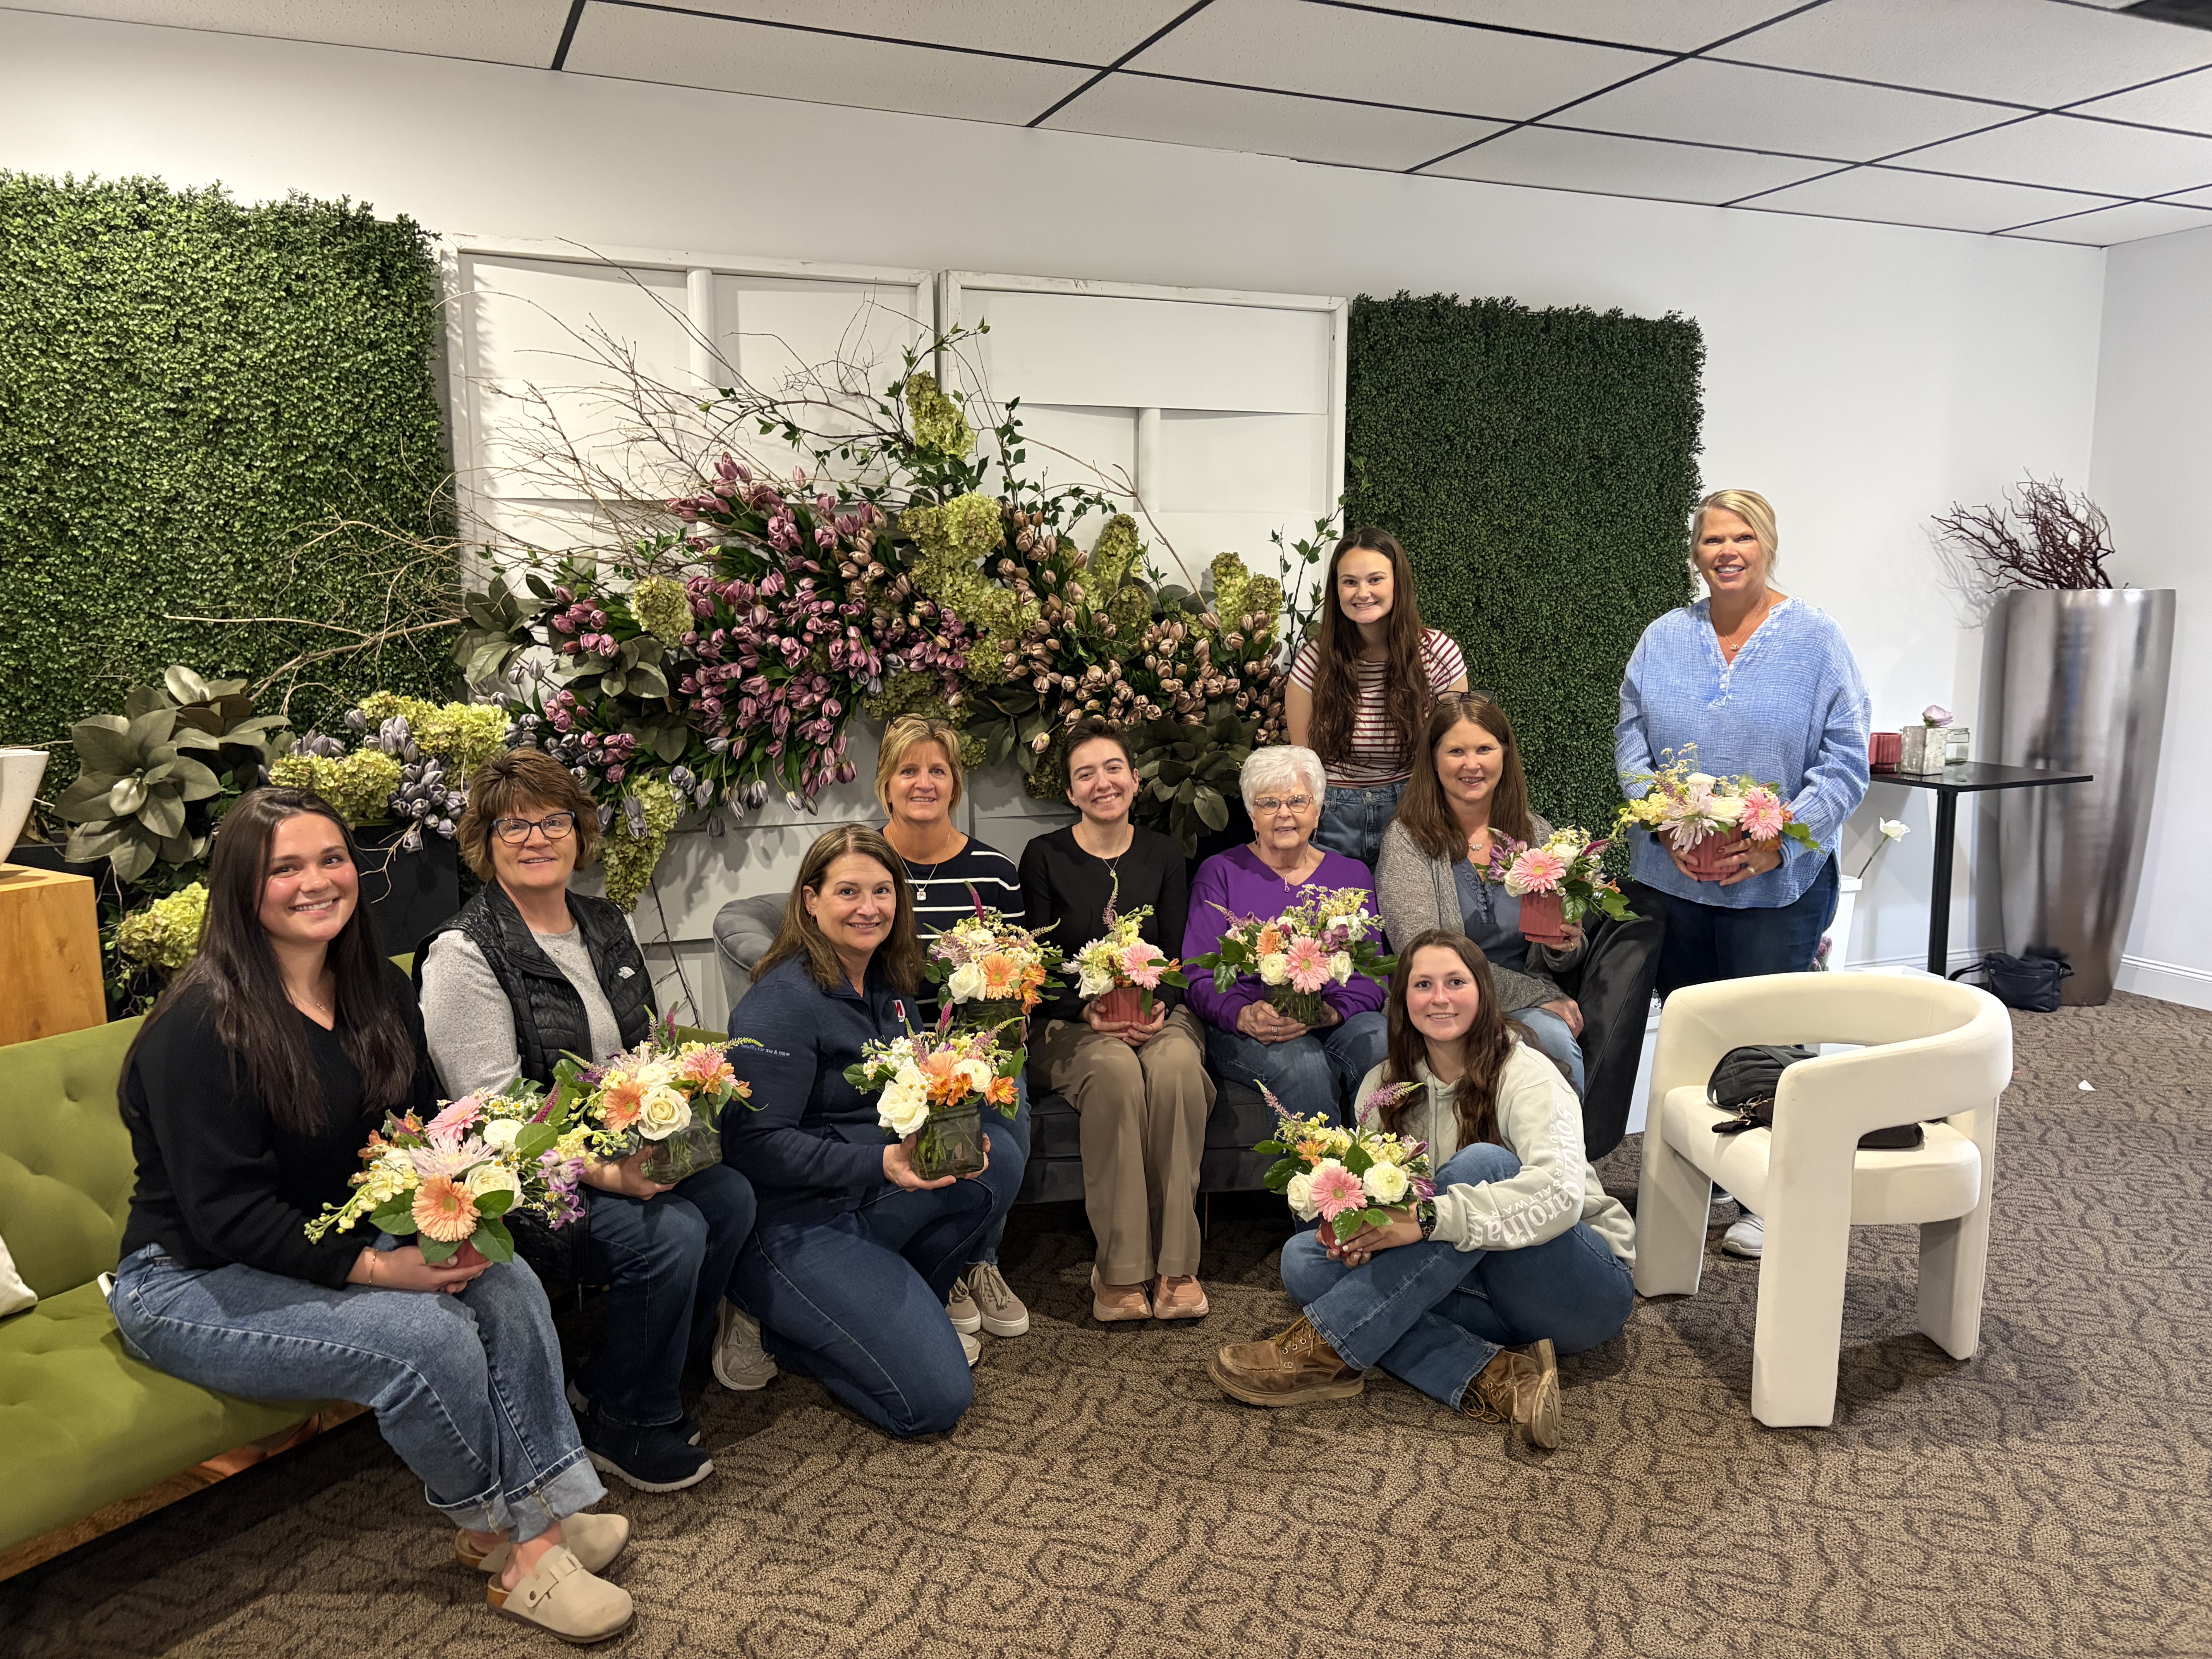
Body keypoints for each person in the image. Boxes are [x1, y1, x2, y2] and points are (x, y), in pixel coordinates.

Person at [106, 788, 635, 1644]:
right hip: (188, 1281)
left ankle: (554, 1507)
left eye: (330, 859)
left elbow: (425, 1132)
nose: (316, 882)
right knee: (427, 1338)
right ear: (242, 889)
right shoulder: (200, 1028)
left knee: (502, 1284)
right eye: (285, 868)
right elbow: (225, 1218)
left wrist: (454, 1219)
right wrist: (382, 1269)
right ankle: (514, 1551)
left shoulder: (375, 990)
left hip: (329, 1238)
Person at [416, 751, 757, 1494]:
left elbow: (637, 1051)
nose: (536, 837)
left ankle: (623, 1378)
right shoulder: (464, 952)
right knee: (672, 1232)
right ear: (484, 839)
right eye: (514, 824)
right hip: (521, 1179)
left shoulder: (605, 921)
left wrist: (682, 1104)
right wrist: (608, 1174)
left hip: (614, 1147)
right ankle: (624, 1422)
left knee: (729, 1195)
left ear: (580, 830)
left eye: (553, 820)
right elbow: (500, 1117)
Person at [1207, 931, 1635, 1450]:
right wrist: (1358, 1235)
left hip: (1573, 1286)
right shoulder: (1381, 1087)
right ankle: (1502, 1378)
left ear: (1482, 992)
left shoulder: (1528, 1075)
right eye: (1423, 984)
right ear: (1403, 1000)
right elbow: (1377, 1212)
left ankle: (1325, 1349)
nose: (1440, 998)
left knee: (1483, 1164)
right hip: (1475, 1290)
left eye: (1455, 982)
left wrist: (1428, 1218)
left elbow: (1561, 1198)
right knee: (1304, 1260)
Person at [1616, 489, 1870, 1259]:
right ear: (1696, 552)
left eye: (1743, 537)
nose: (1728, 551)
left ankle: (1779, 1188)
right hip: (1674, 877)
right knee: (1697, 1027)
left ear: (1768, 545)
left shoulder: (1817, 640)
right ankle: (1715, 1169)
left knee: (1771, 1035)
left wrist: (1778, 843)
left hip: (1778, 883)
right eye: (1713, 539)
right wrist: (1670, 829)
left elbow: (1846, 765)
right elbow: (1632, 749)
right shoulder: (1662, 639)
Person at [722, 825, 1024, 1437]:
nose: (869, 908)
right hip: (796, 1223)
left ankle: (893, 1307)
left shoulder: (887, 985)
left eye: (883, 891)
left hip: (868, 1198)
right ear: (811, 900)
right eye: (849, 891)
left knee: (997, 1161)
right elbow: (751, 1145)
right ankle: (779, 1326)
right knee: (935, 1404)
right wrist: (882, 1164)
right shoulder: (780, 1003)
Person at [1022, 719, 1216, 1323]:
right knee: (1114, 1074)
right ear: (1072, 792)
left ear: (1135, 779)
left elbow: (1182, 956)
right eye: (1086, 775)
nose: (1102, 783)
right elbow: (1038, 965)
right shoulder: (1044, 857)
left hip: (1158, 1014)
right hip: (1072, 1023)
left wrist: (1161, 1004)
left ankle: (1178, 1263)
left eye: (1113, 769)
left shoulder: (1166, 854)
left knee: (1180, 1065)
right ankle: (1123, 1267)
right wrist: (1086, 1009)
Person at [874, 714, 1030, 1346]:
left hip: (977, 1044)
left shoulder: (993, 871)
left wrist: (990, 1046)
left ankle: (978, 1260)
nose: (923, 781)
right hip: (890, 1046)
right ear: (886, 782)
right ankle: (944, 1266)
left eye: (937, 769)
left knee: (1009, 1116)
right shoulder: (864, 862)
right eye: (908, 769)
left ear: (955, 783)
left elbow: (1015, 978)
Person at [1374, 692, 1588, 1094]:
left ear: (1504, 756)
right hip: (1442, 1004)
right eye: (1456, 751)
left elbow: (1563, 957)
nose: (1471, 764)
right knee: (1546, 1035)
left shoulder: (1538, 833)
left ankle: (1563, 1157)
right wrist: (1539, 996)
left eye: (1484, 749)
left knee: (1552, 1039)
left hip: (1530, 1000)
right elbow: (1423, 956)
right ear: (1434, 760)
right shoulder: (1407, 840)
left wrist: (1566, 945)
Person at [1182, 744, 1387, 1127]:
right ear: (1251, 814)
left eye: (1297, 801)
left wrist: (1332, 1012)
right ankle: (1322, 1183)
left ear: (1318, 809)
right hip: (1245, 1024)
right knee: (1303, 1064)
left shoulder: (1352, 876)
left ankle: (1387, 1174)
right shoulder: (1220, 873)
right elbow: (1198, 975)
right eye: (1269, 803)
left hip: (1332, 1017)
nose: (1285, 814)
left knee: (1381, 1043)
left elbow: (1372, 976)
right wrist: (1242, 1015)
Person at [1285, 527, 1469, 870]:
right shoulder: (1315, 660)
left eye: (1375, 580)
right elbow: (1304, 761)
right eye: (1350, 582)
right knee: (1335, 922)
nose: (1363, 593)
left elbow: (1456, 746)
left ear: (1398, 583)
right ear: (1336, 589)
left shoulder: (1438, 654)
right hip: (1333, 814)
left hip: (1413, 809)